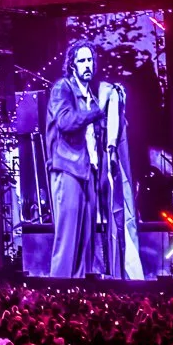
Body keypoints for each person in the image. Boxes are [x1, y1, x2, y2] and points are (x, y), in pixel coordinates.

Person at [45, 41, 117, 278]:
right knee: (68, 240)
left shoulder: (92, 97)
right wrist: (99, 110)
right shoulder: (62, 88)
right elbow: (66, 122)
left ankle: (79, 292)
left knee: (86, 241)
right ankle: (57, 291)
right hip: (68, 168)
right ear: (72, 65)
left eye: (90, 60)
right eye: (82, 60)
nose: (87, 65)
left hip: (88, 171)